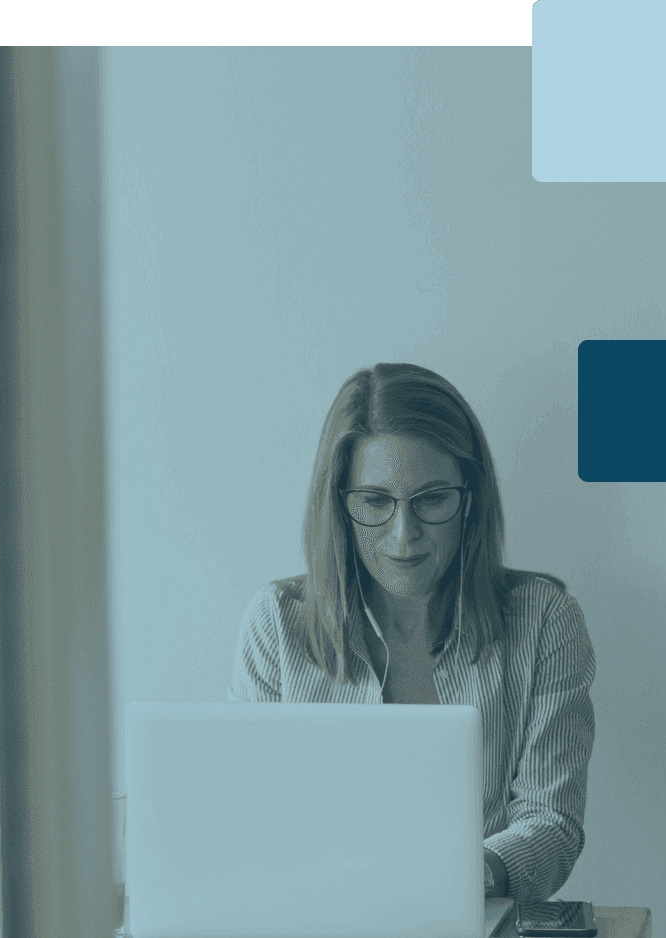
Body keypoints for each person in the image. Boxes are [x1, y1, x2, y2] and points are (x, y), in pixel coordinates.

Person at [229, 362, 596, 904]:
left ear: (470, 498)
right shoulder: (276, 625)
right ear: (340, 504)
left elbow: (551, 822)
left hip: (472, 917)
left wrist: (470, 874)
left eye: (431, 499)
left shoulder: (545, 621)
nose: (404, 537)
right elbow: (249, 818)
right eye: (376, 502)